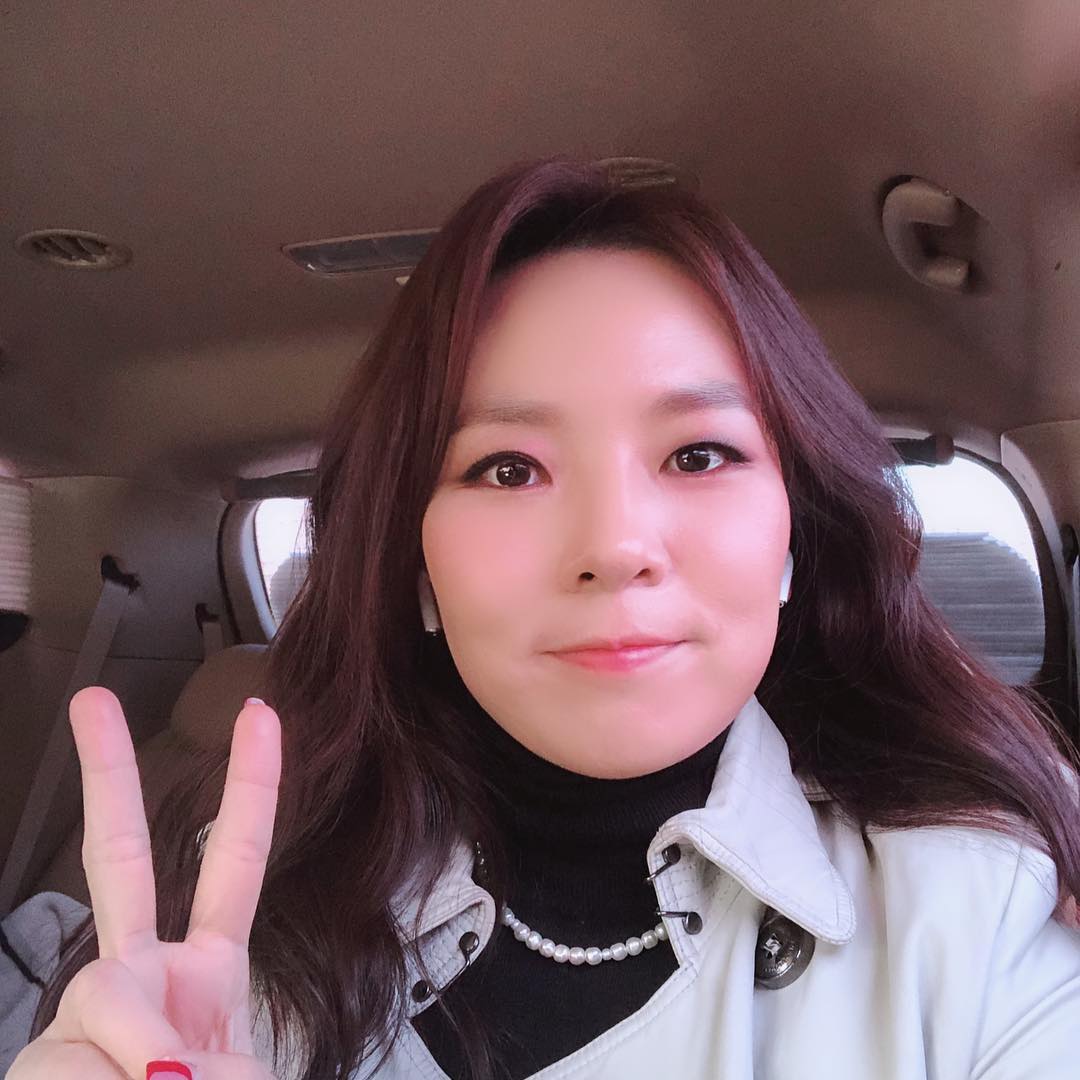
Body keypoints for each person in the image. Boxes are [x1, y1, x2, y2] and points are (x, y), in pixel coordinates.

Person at [3, 155, 1080, 1080]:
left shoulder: (980, 917)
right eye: (508, 469)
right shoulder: (207, 932)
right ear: (416, 568)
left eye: (699, 454)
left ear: (795, 533)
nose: (615, 544)